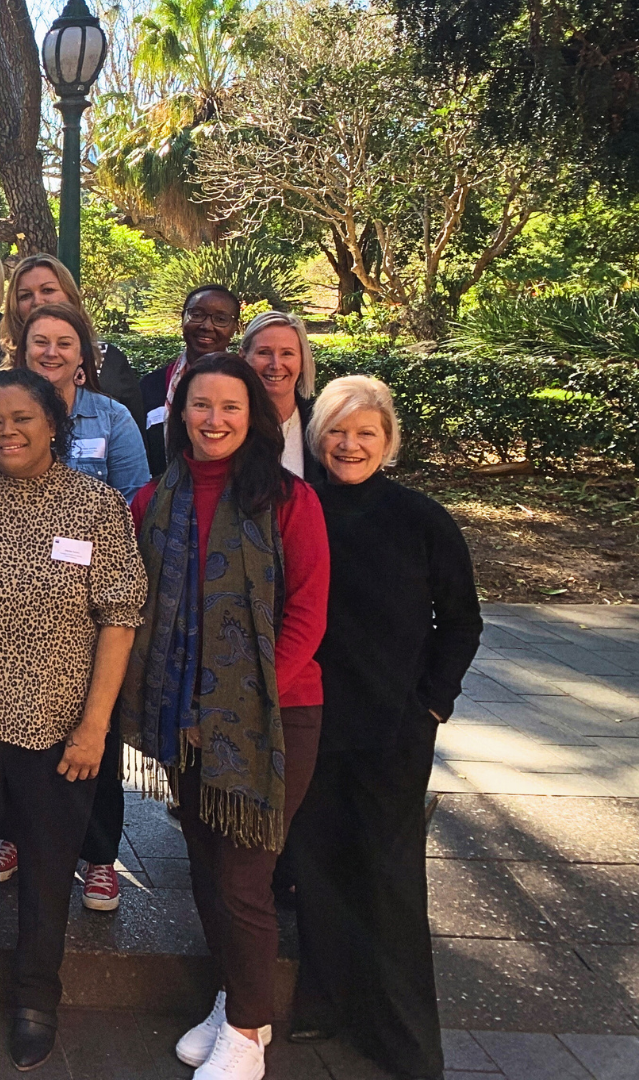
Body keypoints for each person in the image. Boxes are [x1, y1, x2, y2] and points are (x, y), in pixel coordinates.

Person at [0, 369, 146, 1068]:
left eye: (22, 419)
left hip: (59, 725)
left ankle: (38, 997)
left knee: (46, 866)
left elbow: (120, 615)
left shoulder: (95, 506)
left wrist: (95, 724)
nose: (6, 432)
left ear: (53, 426)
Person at [120, 354, 330, 1080]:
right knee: (208, 870)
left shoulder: (288, 500)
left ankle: (248, 1029)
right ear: (180, 414)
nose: (214, 420)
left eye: (230, 408)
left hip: (272, 717)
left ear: (255, 417)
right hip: (186, 720)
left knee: (244, 877)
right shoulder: (154, 499)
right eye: (199, 406)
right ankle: (234, 999)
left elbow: (307, 610)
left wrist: (248, 695)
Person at [287, 376, 481, 1080]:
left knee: (390, 877)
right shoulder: (298, 509)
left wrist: (433, 702)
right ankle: (326, 1001)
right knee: (316, 866)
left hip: (395, 728)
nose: (349, 444)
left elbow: (460, 621)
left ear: (388, 441)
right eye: (337, 431)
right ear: (318, 438)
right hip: (310, 720)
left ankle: (400, 1033)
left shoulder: (423, 520)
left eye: (365, 432)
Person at [0, 301, 150, 498]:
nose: (51, 352)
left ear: (81, 356)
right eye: (40, 342)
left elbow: (134, 504)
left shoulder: (114, 420)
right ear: (25, 352)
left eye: (64, 344)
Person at [0, 252, 141, 421]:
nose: (37, 301)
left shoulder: (109, 360)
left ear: (70, 296)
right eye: (25, 295)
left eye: (47, 290)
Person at [138, 285, 241, 475]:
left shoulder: (247, 387)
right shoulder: (150, 387)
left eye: (220, 319)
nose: (207, 326)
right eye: (197, 314)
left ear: (235, 328)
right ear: (182, 318)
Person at [239, 310, 323, 482]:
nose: (276, 365)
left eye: (287, 353)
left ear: (302, 361)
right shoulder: (227, 422)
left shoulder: (322, 422)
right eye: (264, 352)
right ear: (243, 357)